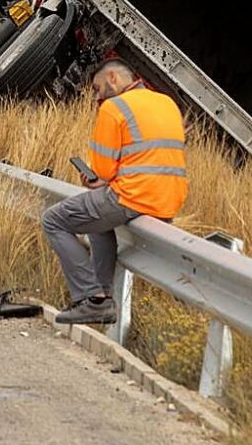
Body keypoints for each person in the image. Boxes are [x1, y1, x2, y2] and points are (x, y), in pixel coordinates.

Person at [40, 58, 188, 324]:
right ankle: (101, 296)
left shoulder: (114, 107)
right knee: (98, 224)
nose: (97, 96)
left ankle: (91, 298)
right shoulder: (167, 102)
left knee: (53, 220)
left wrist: (95, 180)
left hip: (133, 196)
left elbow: (104, 170)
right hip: (168, 199)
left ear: (112, 78)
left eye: (97, 89)